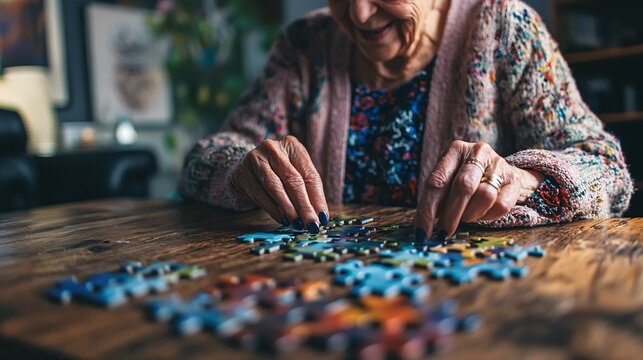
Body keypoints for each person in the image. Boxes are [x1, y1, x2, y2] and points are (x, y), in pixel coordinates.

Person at [179, 0, 633, 241]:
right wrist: (241, 169)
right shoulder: (306, 43)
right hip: (325, 301)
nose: (358, 13)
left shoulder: (504, 28)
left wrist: (523, 178)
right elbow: (204, 159)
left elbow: (607, 168)